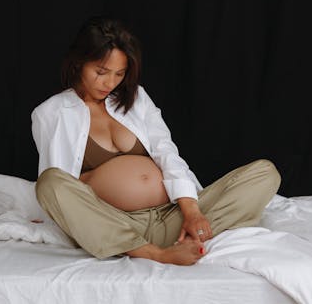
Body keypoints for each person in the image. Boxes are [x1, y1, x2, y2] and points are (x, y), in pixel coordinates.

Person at [31, 16, 281, 266]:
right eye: (101, 72)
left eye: (119, 74)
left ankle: (188, 234)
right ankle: (154, 253)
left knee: (265, 173)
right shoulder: (50, 113)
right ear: (78, 63)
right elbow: (59, 179)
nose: (110, 83)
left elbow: (166, 151)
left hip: (172, 215)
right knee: (49, 182)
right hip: (114, 222)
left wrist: (191, 212)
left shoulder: (136, 98)